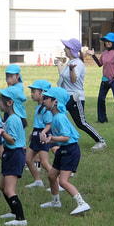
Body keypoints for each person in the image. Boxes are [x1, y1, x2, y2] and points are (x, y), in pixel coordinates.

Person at [38, 87, 91, 215]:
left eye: (46, 99)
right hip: (63, 149)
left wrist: (51, 138)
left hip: (70, 150)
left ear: (55, 102)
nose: (43, 101)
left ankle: (82, 203)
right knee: (51, 175)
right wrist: (48, 141)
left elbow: (66, 137)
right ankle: (55, 201)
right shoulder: (55, 117)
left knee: (63, 181)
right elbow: (61, 139)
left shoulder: (60, 118)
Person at [56, 38, 106, 150]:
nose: (64, 49)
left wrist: (72, 70)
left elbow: (73, 80)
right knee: (58, 117)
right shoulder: (70, 62)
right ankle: (59, 140)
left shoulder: (77, 63)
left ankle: (100, 140)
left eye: (67, 47)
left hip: (75, 97)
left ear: (72, 49)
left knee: (81, 123)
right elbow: (63, 79)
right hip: (65, 96)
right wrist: (59, 66)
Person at [0, 85, 28, 226]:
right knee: (2, 186)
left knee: (9, 189)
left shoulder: (14, 119)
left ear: (10, 102)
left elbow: (12, 139)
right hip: (10, 154)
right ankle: (13, 211)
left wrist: (2, 132)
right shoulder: (12, 119)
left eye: (1, 100)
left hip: (15, 154)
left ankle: (21, 219)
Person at [86, 32, 114, 124]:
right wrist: (93, 55)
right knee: (100, 99)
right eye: (106, 41)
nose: (107, 43)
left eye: (109, 41)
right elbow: (100, 64)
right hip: (105, 80)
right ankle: (102, 119)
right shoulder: (104, 53)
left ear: (113, 42)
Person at [25, 79, 53, 189]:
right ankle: (38, 181)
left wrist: (42, 133)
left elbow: (48, 124)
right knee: (27, 159)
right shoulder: (38, 107)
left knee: (44, 162)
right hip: (37, 135)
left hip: (43, 136)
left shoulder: (46, 109)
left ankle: (59, 182)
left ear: (42, 93)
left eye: (34, 91)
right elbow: (38, 123)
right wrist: (33, 133)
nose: (32, 94)